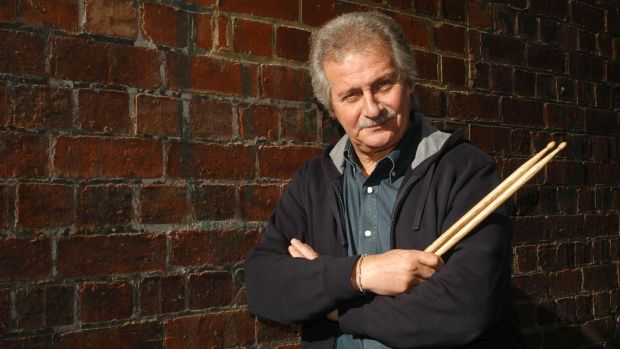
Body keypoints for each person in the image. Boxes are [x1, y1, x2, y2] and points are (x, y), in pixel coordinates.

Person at [245, 11, 523, 348]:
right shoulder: (312, 183)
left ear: (408, 82)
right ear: (331, 107)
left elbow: (465, 309)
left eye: (383, 84)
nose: (372, 108)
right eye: (351, 95)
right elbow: (262, 287)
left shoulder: (466, 171)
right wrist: (360, 273)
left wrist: (335, 307)